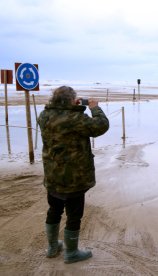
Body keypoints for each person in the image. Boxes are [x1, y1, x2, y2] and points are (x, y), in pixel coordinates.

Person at [38, 86, 109, 264]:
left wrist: (73, 106)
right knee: (74, 215)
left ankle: (52, 247)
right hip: (73, 179)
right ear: (71, 100)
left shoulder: (44, 116)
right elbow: (101, 125)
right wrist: (93, 107)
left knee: (54, 210)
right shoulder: (76, 118)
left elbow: (61, 119)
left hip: (53, 175)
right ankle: (71, 253)